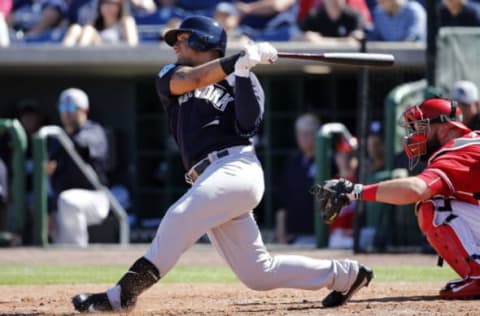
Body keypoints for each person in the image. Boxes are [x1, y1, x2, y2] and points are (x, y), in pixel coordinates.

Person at [71, 15, 373, 313]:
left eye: (183, 38)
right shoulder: (170, 73)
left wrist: (242, 72)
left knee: (179, 216)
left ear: (205, 40)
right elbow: (192, 80)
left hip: (236, 169)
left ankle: (121, 296)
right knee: (258, 274)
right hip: (206, 180)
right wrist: (236, 61)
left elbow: (248, 123)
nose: (175, 45)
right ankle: (346, 275)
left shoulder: (244, 77)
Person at [314, 97, 480, 299]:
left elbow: (416, 189)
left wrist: (355, 191)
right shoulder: (470, 144)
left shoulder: (457, 152)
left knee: (433, 206)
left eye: (421, 128)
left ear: (446, 128)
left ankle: (477, 275)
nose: (414, 136)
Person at [48, 88, 110, 247]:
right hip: (61, 203)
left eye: (71, 108)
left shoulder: (94, 131)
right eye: (63, 108)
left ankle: (78, 252)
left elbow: (81, 144)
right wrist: (48, 211)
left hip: (96, 198)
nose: (66, 113)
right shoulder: (56, 139)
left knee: (68, 201)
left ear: (85, 110)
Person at [274, 113, 320, 245]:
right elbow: (282, 203)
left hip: (318, 236)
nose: (302, 138)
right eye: (300, 134)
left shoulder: (329, 161)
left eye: (307, 134)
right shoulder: (292, 162)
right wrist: (281, 236)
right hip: (292, 237)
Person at [63, 0, 138, 46]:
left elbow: (132, 47)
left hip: (116, 60)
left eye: (113, 3)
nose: (109, 7)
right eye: (105, 2)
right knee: (75, 29)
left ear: (120, 6)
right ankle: (64, 59)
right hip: (93, 60)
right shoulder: (94, 24)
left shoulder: (126, 23)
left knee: (88, 31)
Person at [300, 0, 365, 43]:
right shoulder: (314, 16)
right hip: (321, 61)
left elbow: (356, 39)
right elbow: (303, 37)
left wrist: (321, 40)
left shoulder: (354, 16)